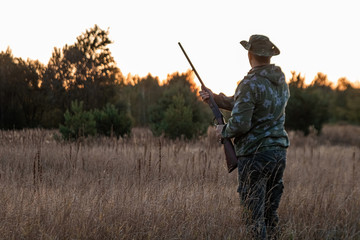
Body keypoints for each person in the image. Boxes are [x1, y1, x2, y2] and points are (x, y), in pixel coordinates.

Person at [199, 34, 290, 239]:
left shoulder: (250, 83)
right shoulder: (280, 81)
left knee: (253, 219)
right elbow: (244, 103)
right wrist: (215, 98)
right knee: (270, 216)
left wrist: (225, 131)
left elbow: (240, 123)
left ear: (250, 54)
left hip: (255, 156)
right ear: (268, 56)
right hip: (278, 155)